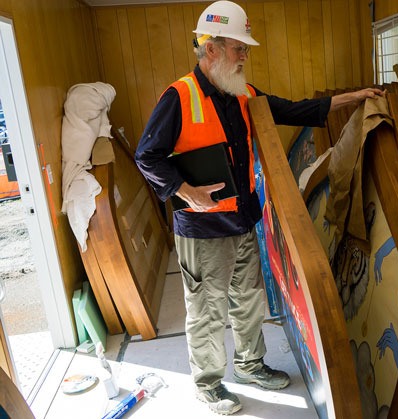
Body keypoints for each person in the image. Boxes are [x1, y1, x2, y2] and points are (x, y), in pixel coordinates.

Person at [135, 0, 384, 415]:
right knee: (208, 311)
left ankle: (250, 365)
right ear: (210, 49)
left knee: (248, 300)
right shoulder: (179, 97)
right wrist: (186, 191)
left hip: (244, 218)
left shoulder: (243, 93)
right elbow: (148, 156)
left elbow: (292, 109)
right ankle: (208, 384)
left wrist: (352, 98)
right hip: (203, 230)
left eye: (245, 50)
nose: (245, 56)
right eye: (238, 49)